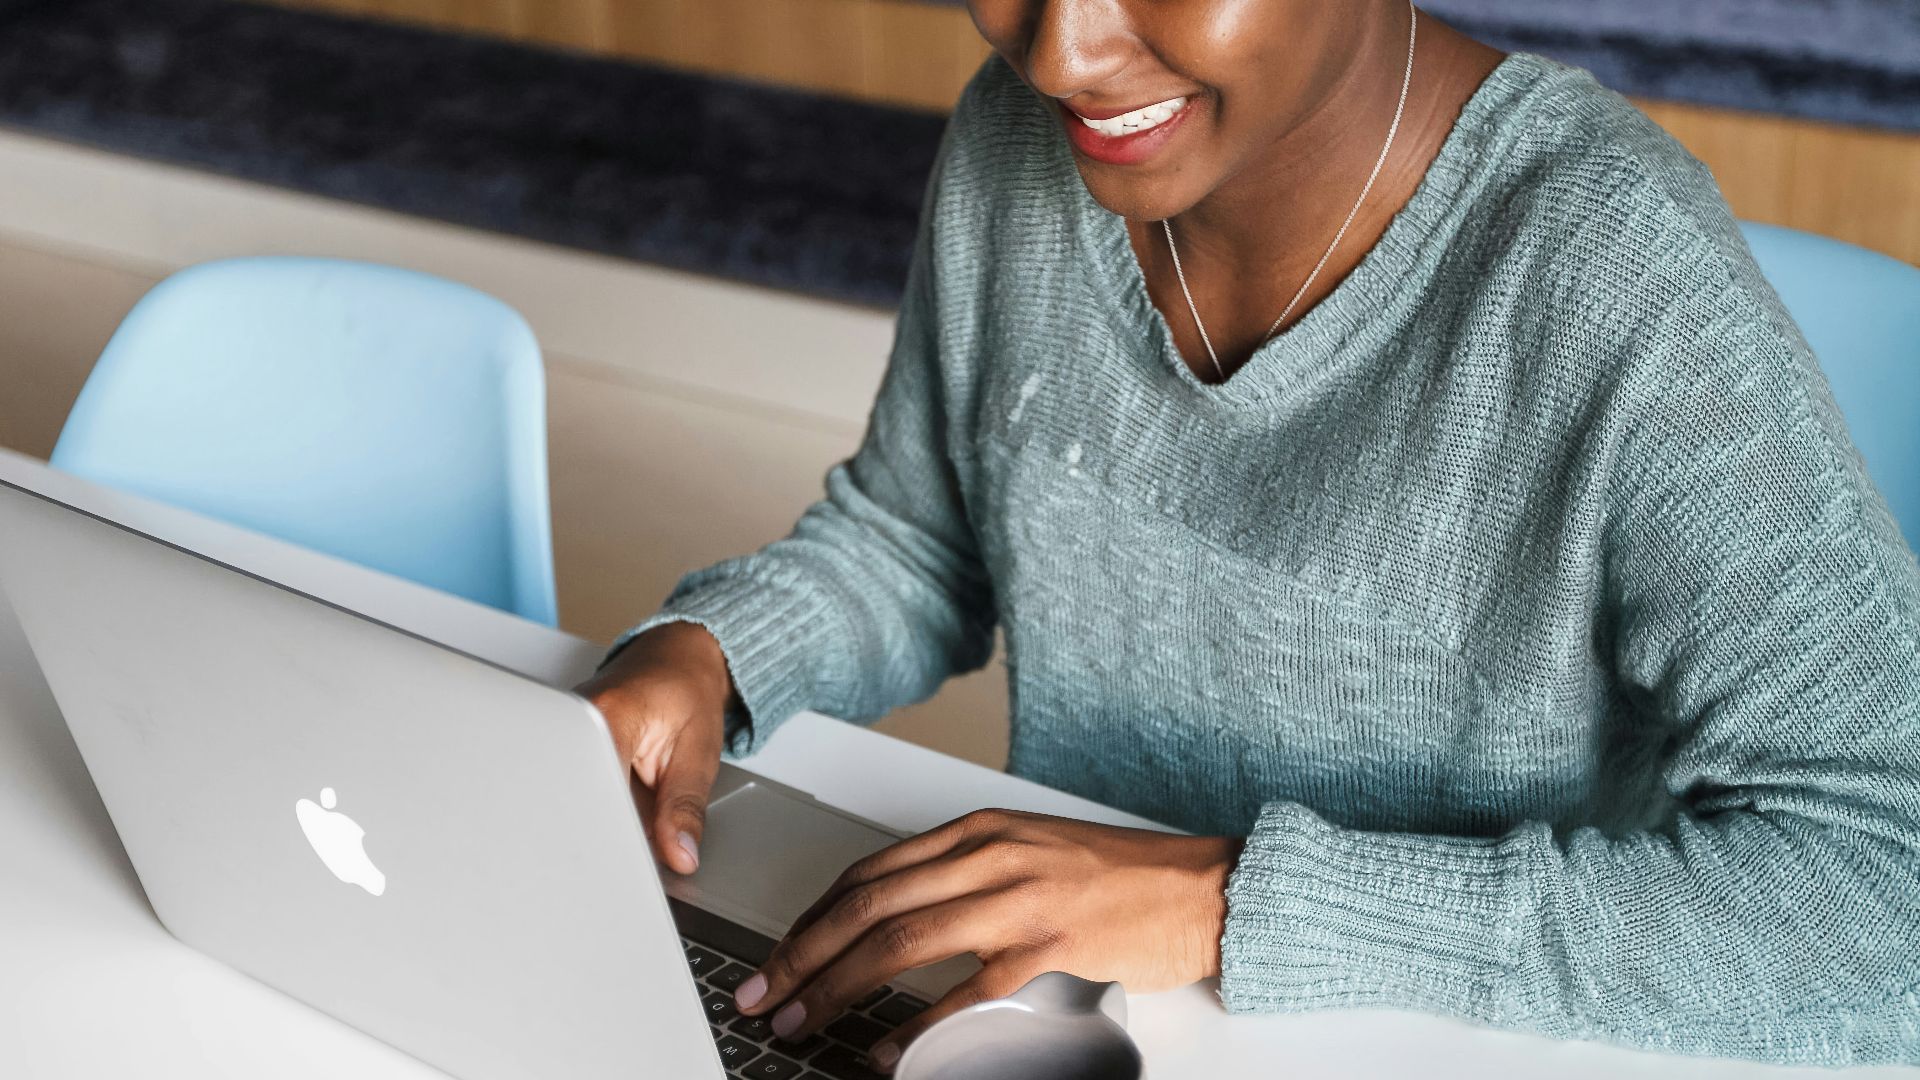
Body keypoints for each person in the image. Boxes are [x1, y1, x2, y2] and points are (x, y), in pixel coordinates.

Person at [574, 0, 1920, 1072]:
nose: (1065, 51)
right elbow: (922, 539)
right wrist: (713, 653)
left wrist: (1228, 903)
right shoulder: (1017, 135)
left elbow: (1887, 884)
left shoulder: (1610, 270)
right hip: (1073, 1018)